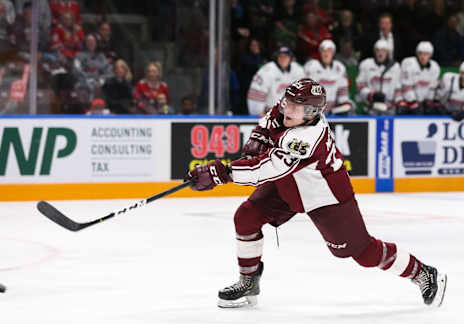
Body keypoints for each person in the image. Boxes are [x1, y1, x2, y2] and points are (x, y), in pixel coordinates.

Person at [186, 78, 447, 308]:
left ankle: (421, 272)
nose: (288, 109)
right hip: (289, 183)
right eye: (287, 103)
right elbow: (269, 119)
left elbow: (267, 168)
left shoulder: (307, 138)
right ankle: (248, 281)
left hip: (324, 195)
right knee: (246, 217)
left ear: (311, 113)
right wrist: (258, 137)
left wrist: (222, 173)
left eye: (296, 108)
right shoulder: (288, 109)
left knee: (362, 252)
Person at [247, 46, 304, 116]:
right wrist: (259, 113)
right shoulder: (266, 71)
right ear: (276, 57)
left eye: (286, 56)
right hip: (271, 115)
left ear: (290, 58)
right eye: (281, 56)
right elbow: (256, 95)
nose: (283, 59)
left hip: (293, 116)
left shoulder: (298, 70)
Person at [303, 39, 354, 115]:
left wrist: (343, 104)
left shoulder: (339, 68)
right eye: (323, 51)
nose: (326, 54)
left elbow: (343, 94)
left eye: (329, 51)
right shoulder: (311, 66)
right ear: (320, 52)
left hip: (332, 111)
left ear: (333, 53)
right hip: (312, 111)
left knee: (350, 106)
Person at [356, 39, 402, 115]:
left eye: (383, 51)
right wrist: (371, 95)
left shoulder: (395, 67)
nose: (380, 53)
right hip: (370, 109)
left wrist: (400, 102)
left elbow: (398, 89)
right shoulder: (366, 64)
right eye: (378, 50)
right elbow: (360, 86)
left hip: (389, 110)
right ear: (374, 51)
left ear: (387, 52)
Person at [400, 41, 443, 115]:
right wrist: (413, 102)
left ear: (430, 55)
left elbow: (432, 88)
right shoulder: (408, 63)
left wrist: (428, 101)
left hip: (423, 102)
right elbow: (406, 87)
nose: (423, 57)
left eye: (426, 54)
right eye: (421, 53)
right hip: (408, 101)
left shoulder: (435, 67)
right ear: (417, 54)